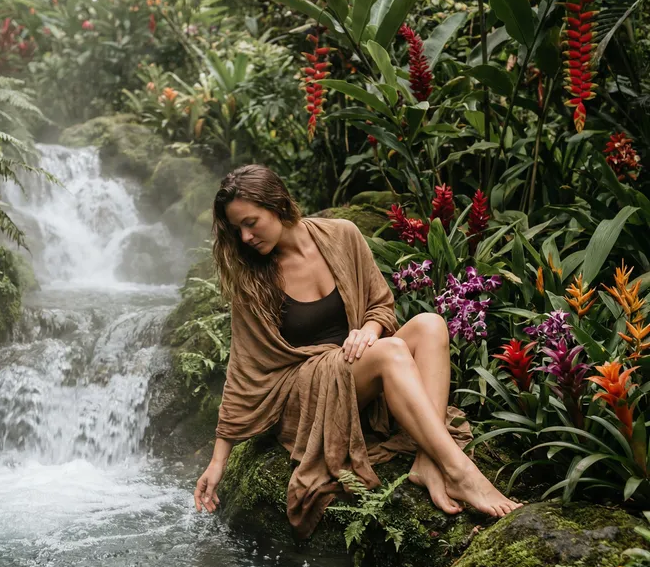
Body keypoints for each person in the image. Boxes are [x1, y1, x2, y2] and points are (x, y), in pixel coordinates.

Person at [193, 164, 520, 536]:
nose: (245, 237)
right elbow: (243, 371)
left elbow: (380, 304)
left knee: (431, 323)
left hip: (356, 369)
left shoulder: (341, 235)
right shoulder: (252, 279)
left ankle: (428, 462)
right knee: (391, 352)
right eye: (237, 229)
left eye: (251, 223)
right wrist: (218, 462)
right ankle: (461, 473)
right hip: (307, 392)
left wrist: (368, 330)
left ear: (278, 204)